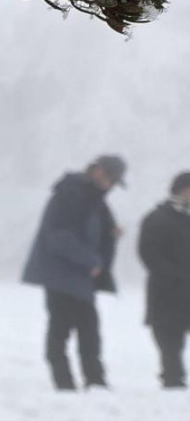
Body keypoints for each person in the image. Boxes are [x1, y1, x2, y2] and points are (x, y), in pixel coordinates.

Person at [21, 155, 124, 391]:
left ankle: (94, 381)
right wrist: (90, 261)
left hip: (79, 276)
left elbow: (90, 230)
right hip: (62, 275)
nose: (112, 187)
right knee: (62, 330)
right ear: (98, 171)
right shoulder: (73, 193)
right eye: (112, 180)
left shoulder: (92, 197)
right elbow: (58, 236)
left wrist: (110, 235)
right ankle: (66, 383)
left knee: (88, 330)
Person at [137, 171, 190, 389]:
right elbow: (149, 254)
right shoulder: (159, 218)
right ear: (182, 190)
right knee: (170, 341)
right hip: (167, 293)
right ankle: (173, 382)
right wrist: (175, 276)